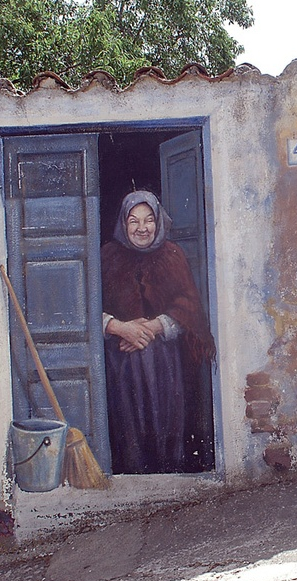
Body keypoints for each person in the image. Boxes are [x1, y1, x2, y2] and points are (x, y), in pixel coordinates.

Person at [101, 190, 215, 474]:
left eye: (149, 220)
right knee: (128, 424)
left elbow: (190, 309)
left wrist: (151, 328)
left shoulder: (173, 256)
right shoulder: (107, 257)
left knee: (167, 421)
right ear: (123, 225)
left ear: (158, 222)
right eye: (133, 221)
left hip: (165, 363)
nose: (142, 228)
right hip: (122, 362)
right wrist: (120, 327)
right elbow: (85, 308)